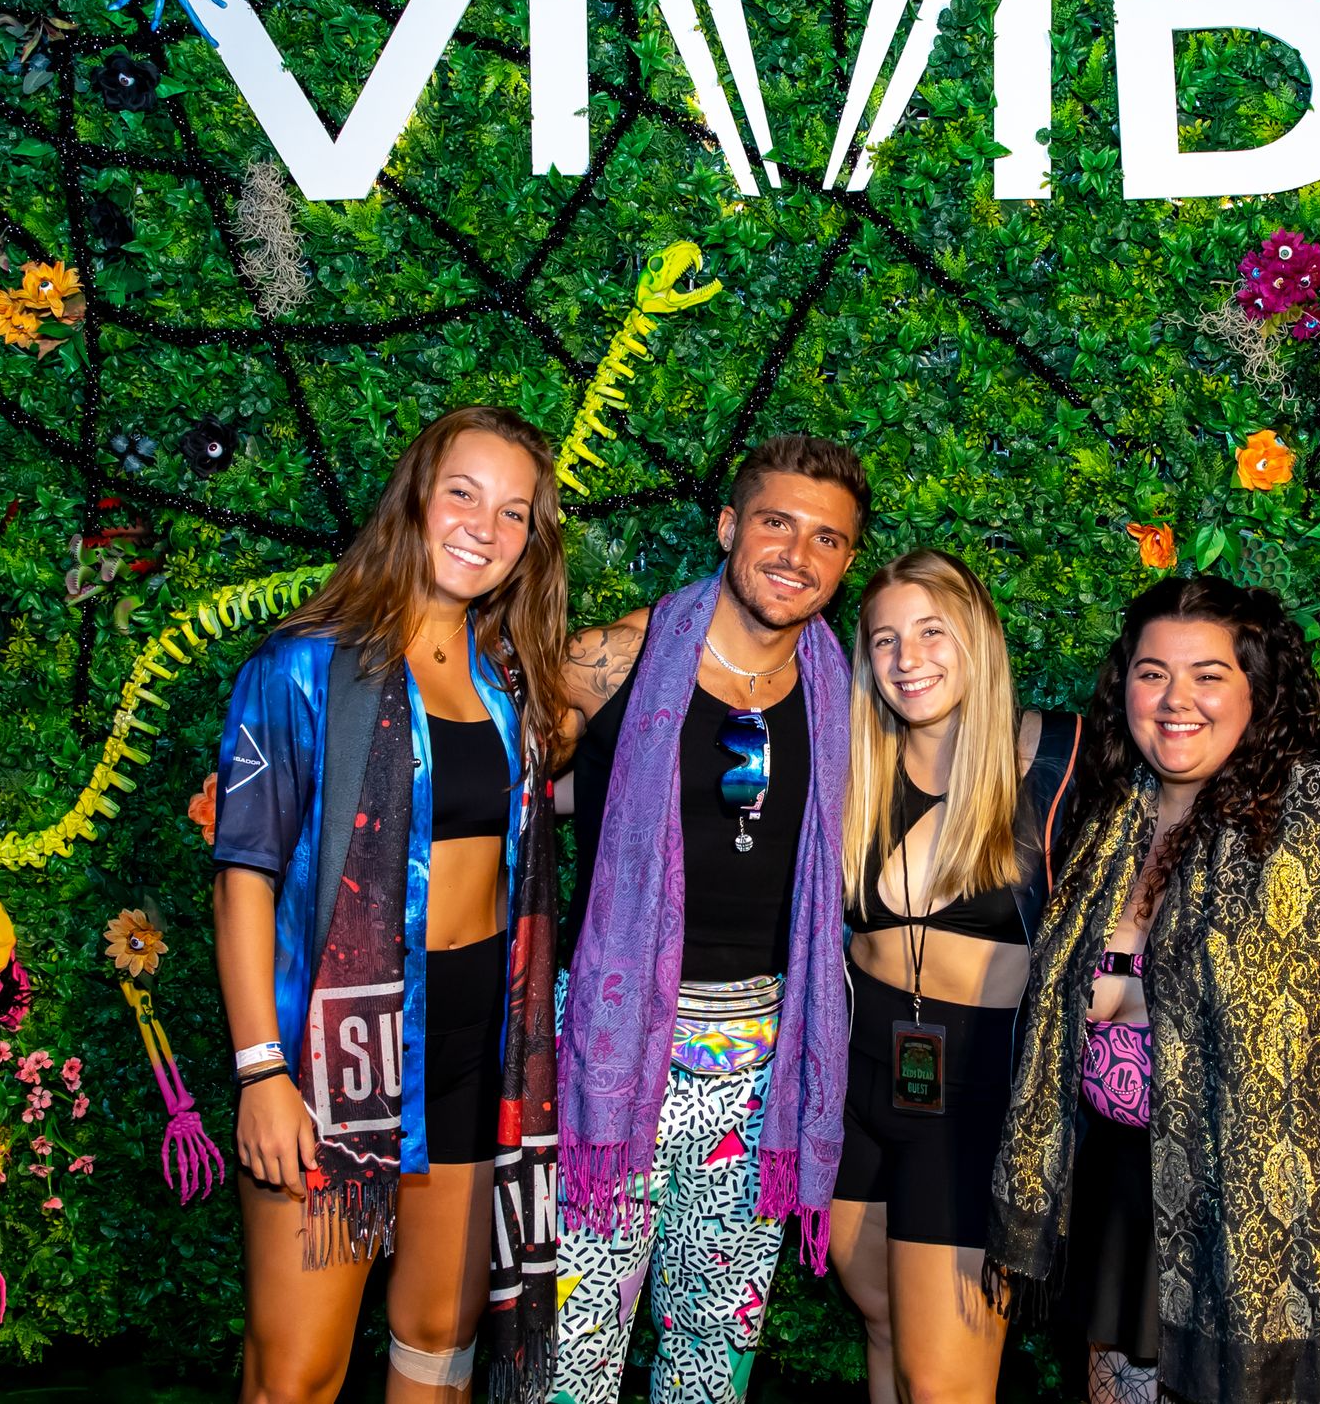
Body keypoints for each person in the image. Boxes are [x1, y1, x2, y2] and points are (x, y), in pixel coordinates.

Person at [988, 576, 1320, 1404]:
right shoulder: (1116, 819)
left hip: (1310, 1205)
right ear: (1125, 687)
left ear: (1259, 689)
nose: (1176, 699)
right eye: (1152, 674)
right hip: (1140, 1205)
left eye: (1208, 675)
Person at [211, 406, 566, 1404]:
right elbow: (244, 874)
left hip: (477, 1047)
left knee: (439, 1341)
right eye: (462, 494)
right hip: (335, 1059)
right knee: (296, 1374)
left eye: (513, 512)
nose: (483, 528)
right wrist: (260, 1070)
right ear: (413, 498)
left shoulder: (506, 681)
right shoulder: (303, 667)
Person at [554, 434, 868, 1404]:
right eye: (776, 522)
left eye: (827, 538)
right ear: (730, 526)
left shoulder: (844, 690)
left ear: (845, 562)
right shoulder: (615, 658)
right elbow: (487, 779)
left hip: (759, 1061)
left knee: (712, 1354)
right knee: (570, 1348)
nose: (797, 554)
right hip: (610, 1052)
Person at [830, 551, 1080, 1404]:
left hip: (976, 1097)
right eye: (886, 640)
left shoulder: (1060, 759)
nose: (908, 659)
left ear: (978, 638)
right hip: (857, 1086)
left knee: (943, 1385)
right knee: (884, 1328)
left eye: (932, 632)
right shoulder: (852, 764)